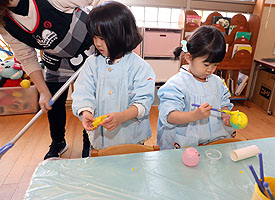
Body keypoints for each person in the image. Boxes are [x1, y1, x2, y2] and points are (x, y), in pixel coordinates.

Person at [0, 0, 103, 159]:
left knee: (92, 99)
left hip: (88, 50)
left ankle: (89, 140)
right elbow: (26, 56)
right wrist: (43, 91)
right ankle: (58, 142)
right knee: (53, 101)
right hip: (56, 58)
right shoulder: (4, 21)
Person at [72, 1, 155, 150]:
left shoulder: (140, 67)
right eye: (94, 37)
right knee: (103, 167)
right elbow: (83, 91)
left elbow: (143, 102)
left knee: (131, 168)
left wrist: (122, 117)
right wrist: (86, 111)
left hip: (132, 137)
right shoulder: (92, 64)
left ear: (122, 35)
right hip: (100, 139)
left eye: (102, 38)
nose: (97, 43)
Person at [157, 26, 235, 150]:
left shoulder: (217, 82)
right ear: (189, 58)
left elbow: (224, 103)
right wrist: (195, 115)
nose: (210, 70)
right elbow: (169, 116)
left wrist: (226, 115)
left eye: (215, 65)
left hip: (213, 141)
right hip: (184, 144)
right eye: (206, 64)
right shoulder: (177, 84)